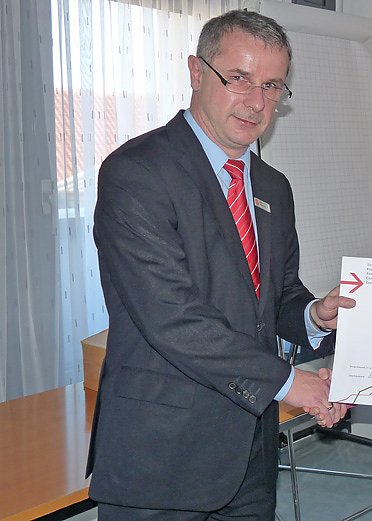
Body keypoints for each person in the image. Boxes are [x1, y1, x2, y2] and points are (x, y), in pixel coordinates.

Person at [87, 10, 353, 520]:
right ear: (196, 71)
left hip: (250, 450)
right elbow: (171, 316)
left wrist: (314, 315)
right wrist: (289, 383)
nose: (256, 101)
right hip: (161, 454)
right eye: (239, 78)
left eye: (272, 86)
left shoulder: (273, 186)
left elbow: (277, 294)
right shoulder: (136, 173)